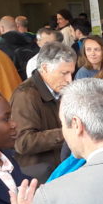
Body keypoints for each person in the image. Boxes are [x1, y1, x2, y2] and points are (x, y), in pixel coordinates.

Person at [11, 42, 75, 180]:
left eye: (71, 73)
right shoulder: (26, 95)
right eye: (64, 73)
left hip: (57, 169)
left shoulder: (60, 90)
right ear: (45, 68)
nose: (69, 79)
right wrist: (66, 132)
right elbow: (23, 142)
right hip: (38, 175)